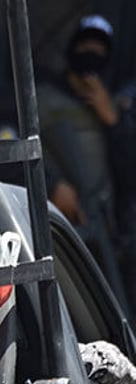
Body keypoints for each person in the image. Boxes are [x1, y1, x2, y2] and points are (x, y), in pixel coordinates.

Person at [36, 15, 131, 316]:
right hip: (61, 228)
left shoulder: (117, 104)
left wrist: (113, 120)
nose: (91, 54)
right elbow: (13, 148)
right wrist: (52, 186)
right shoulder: (44, 99)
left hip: (109, 234)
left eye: (99, 50)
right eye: (85, 46)